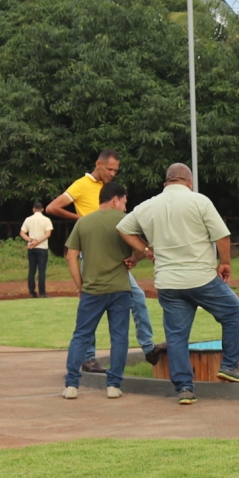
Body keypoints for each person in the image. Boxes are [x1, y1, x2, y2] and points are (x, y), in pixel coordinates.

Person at [118, 162, 239, 405]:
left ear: (166, 182)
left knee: (176, 336)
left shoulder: (148, 206)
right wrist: (225, 263)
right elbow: (222, 236)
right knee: (233, 312)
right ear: (189, 182)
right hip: (201, 278)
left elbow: (123, 228)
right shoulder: (199, 201)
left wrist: (145, 250)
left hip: (168, 282)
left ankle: (185, 388)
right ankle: (229, 366)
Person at [50, 149, 159, 366]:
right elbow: (53, 207)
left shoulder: (109, 190)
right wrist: (80, 218)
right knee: (91, 307)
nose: (112, 173)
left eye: (115, 170)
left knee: (137, 297)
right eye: (109, 169)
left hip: (114, 253)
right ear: (97, 164)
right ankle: (89, 358)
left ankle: (148, 348)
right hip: (92, 253)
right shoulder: (81, 185)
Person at [61, 181, 137, 399]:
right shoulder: (126, 221)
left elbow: (71, 257)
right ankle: (114, 385)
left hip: (92, 289)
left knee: (81, 335)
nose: (125, 207)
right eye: (124, 202)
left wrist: (80, 285)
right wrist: (135, 258)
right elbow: (142, 247)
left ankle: (72, 385)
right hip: (120, 288)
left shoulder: (84, 222)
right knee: (119, 337)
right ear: (115, 199)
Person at [21, 201, 53, 297]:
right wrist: (38, 241)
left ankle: (32, 292)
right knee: (41, 270)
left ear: (33, 209)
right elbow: (48, 234)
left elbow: (22, 233)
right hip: (42, 247)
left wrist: (31, 240)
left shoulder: (28, 219)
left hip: (31, 247)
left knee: (32, 270)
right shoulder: (46, 220)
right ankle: (42, 292)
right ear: (42, 209)